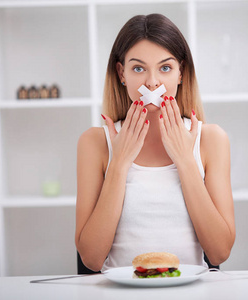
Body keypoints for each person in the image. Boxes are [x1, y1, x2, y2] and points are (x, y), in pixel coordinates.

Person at [75, 13, 235, 272]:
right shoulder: (95, 143)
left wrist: (185, 160)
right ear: (122, 73)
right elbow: (91, 259)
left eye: (165, 68)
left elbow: (219, 253)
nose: (152, 82)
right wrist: (119, 164)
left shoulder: (211, 140)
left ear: (181, 73)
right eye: (138, 68)